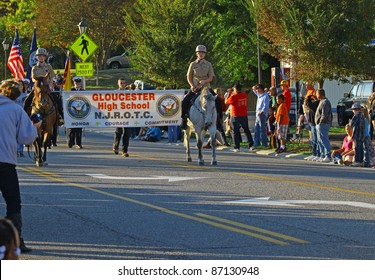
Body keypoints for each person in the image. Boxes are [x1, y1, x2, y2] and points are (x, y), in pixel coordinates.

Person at [0, 80, 41, 253]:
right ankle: (15, 239)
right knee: (13, 202)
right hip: (5, 162)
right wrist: (35, 128)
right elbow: (26, 138)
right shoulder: (16, 110)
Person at [181, 45, 215, 130]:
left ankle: (219, 121)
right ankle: (184, 120)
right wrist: (192, 85)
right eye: (199, 52)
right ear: (197, 54)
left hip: (206, 88)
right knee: (184, 101)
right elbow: (189, 76)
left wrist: (205, 81)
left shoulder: (209, 64)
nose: (201, 54)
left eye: (203, 53)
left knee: (217, 101)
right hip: (195, 87)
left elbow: (211, 77)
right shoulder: (192, 64)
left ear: (205, 54)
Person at [225, 82, 255, 152]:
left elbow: (226, 102)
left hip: (235, 116)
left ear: (235, 89)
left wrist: (228, 94)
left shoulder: (233, 97)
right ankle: (251, 145)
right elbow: (243, 94)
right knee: (246, 130)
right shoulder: (244, 95)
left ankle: (237, 147)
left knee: (235, 131)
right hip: (244, 115)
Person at [113, 78, 131, 157]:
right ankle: (116, 146)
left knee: (127, 133)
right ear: (118, 84)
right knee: (118, 132)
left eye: (124, 83)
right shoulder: (115, 93)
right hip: (118, 115)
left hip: (127, 115)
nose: (122, 84)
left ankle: (124, 151)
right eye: (121, 83)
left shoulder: (129, 93)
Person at [315, 89, 332, 162]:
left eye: (317, 94)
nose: (316, 95)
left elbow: (324, 114)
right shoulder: (321, 101)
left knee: (324, 139)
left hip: (323, 124)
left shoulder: (325, 102)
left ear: (320, 94)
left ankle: (328, 155)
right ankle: (322, 155)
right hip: (319, 124)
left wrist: (321, 122)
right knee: (320, 140)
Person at [66, 77, 84, 148]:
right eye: (76, 83)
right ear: (74, 83)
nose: (77, 84)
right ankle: (71, 142)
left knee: (79, 128)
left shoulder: (84, 91)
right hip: (72, 111)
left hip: (80, 112)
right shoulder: (70, 91)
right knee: (71, 128)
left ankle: (79, 143)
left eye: (79, 83)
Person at [349, 103, 365, 167]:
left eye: (353, 109)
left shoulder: (356, 115)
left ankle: (357, 161)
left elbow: (351, 124)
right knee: (361, 148)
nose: (353, 111)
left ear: (356, 109)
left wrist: (350, 122)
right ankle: (361, 161)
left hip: (357, 134)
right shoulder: (362, 115)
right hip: (362, 134)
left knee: (357, 148)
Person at [15, 80, 28, 157]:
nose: (20, 86)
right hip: (14, 116)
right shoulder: (13, 95)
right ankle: (15, 150)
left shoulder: (25, 95)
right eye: (18, 85)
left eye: (21, 85)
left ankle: (20, 150)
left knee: (21, 134)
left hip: (22, 116)